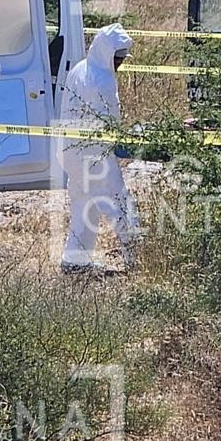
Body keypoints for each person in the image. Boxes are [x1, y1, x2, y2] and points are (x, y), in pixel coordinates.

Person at [58, 24, 139, 274]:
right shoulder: (103, 80)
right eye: (117, 58)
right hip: (93, 156)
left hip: (70, 152)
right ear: (107, 52)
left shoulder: (80, 68)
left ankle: (75, 260)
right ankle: (137, 261)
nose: (120, 64)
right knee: (120, 204)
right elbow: (110, 123)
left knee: (84, 205)